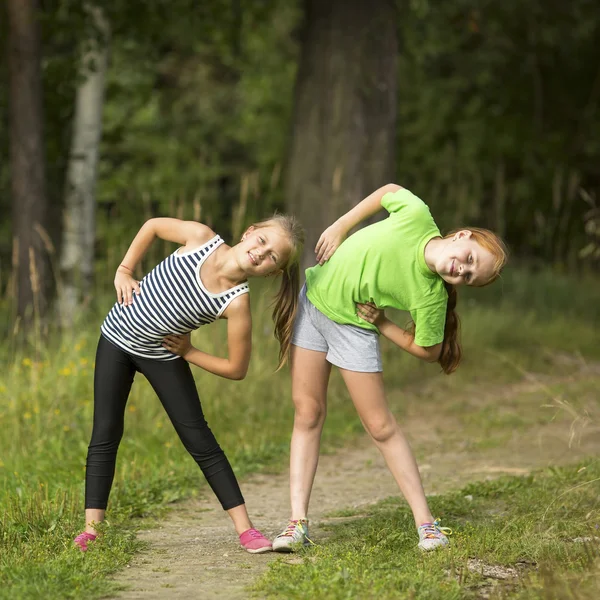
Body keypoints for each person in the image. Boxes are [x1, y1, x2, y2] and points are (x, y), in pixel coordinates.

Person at [272, 184, 508, 552]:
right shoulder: (417, 217)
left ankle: (427, 526)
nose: (461, 270)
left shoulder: (431, 295)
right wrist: (340, 226)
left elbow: (429, 350)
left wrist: (383, 324)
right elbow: (388, 191)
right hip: (313, 306)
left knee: (380, 426)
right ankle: (296, 523)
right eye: (469, 259)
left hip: (354, 328)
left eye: (468, 277)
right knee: (308, 412)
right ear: (462, 236)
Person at [74, 214, 304, 553]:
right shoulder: (201, 237)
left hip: (164, 356)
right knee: (105, 432)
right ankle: (92, 530)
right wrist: (124, 270)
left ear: (271, 272)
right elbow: (151, 225)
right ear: (249, 232)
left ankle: (246, 529)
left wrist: (190, 351)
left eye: (272, 257)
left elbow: (236, 368)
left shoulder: (237, 302)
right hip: (116, 341)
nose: (261, 252)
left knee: (199, 439)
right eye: (262, 241)